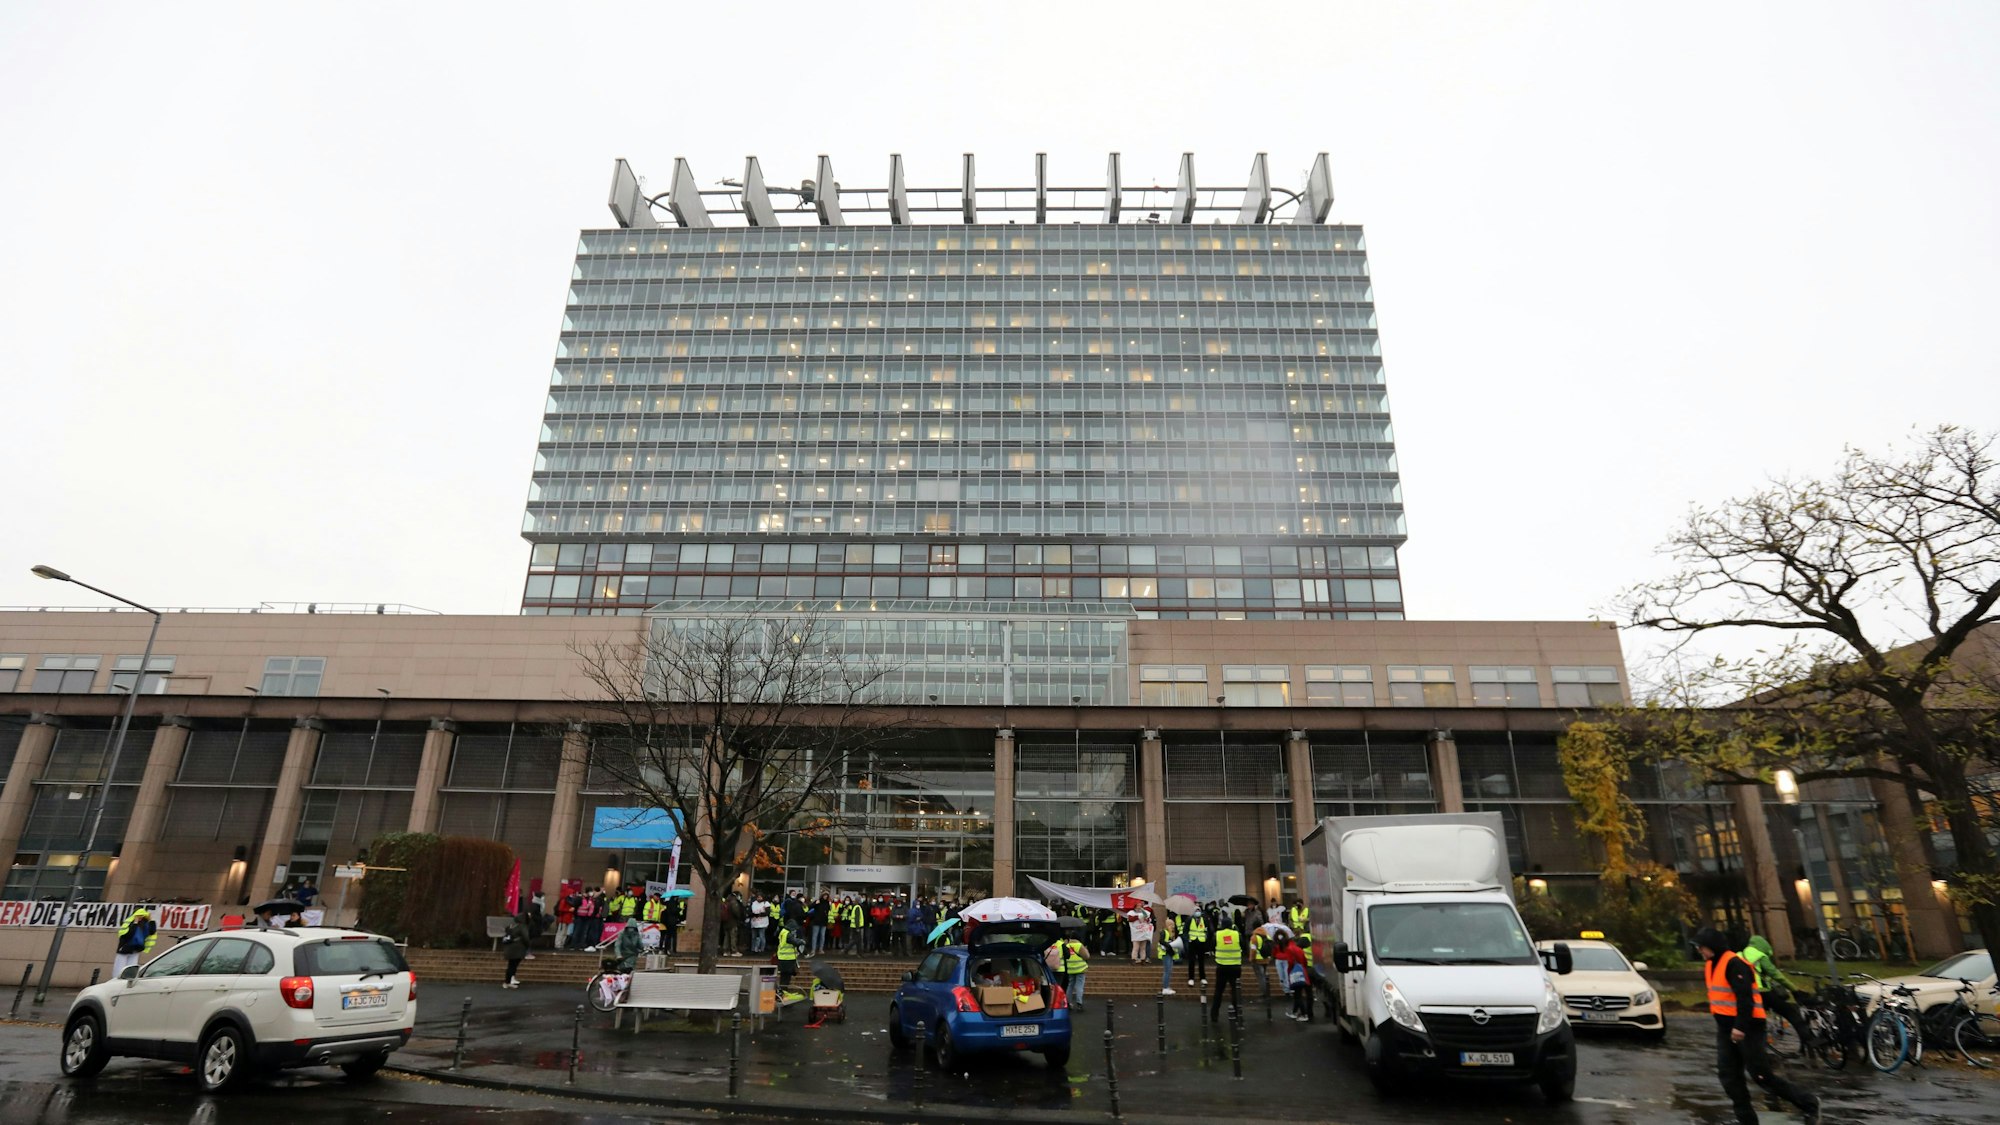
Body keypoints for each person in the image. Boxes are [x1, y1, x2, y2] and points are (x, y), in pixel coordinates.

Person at [1696, 927, 1820, 1125]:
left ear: (1712, 947)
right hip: (1726, 1029)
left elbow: (1745, 999)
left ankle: (1808, 1103)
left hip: (1748, 1028)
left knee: (1761, 1076)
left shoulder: (1735, 964)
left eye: (1701, 947)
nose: (1699, 951)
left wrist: (1740, 1027)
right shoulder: (1711, 965)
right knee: (1729, 1076)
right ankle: (1746, 1120)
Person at [1742, 934, 1810, 1044]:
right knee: (1790, 1012)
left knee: (1754, 1021)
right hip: (1761, 993)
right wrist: (1794, 989)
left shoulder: (1738, 956)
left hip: (1745, 995)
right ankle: (1808, 1039)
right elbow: (1775, 974)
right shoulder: (1759, 956)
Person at [1209, 917, 1244, 1022]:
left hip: (1222, 967)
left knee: (1218, 991)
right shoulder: (1237, 935)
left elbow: (1211, 946)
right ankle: (1237, 1014)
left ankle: (1214, 1015)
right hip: (1235, 967)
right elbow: (1243, 946)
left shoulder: (1217, 934)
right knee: (1235, 991)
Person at [1273, 933, 1312, 1021]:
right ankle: (1295, 1012)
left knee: (1298, 995)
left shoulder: (1289, 949)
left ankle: (1304, 1014)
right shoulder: (1298, 949)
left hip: (1295, 974)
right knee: (1299, 994)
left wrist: (1289, 972)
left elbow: (1290, 962)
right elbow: (1305, 961)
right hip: (1303, 972)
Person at [112, 906, 157, 978]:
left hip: (132, 949)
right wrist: (136, 923)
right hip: (128, 949)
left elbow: (152, 931)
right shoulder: (131, 922)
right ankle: (118, 981)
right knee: (121, 969)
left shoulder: (144, 924)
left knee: (127, 969)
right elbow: (127, 934)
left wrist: (151, 920)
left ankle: (124, 980)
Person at [1060, 933, 1090, 1010]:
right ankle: (1079, 1003)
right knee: (1079, 986)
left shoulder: (1066, 945)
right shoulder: (1079, 945)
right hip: (1080, 969)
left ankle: (1068, 1002)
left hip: (1070, 969)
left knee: (1070, 986)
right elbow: (1087, 956)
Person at [501, 913, 530, 988]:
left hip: (509, 948)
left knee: (510, 965)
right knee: (513, 965)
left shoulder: (512, 926)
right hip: (517, 949)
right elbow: (526, 937)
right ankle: (508, 982)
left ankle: (507, 981)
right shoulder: (522, 926)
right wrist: (527, 946)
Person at [1185, 911, 1210, 986]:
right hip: (1192, 941)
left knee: (1201, 961)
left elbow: (1207, 930)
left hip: (1201, 942)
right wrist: (1187, 939)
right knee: (1191, 961)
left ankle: (1202, 978)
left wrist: (1206, 937)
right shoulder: (1189, 920)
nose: (1198, 919)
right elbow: (1185, 930)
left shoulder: (1204, 920)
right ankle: (1191, 978)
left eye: (1199, 918)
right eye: (1197, 918)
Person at [1157, 913, 1179, 995]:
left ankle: (1166, 986)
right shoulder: (1164, 932)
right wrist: (1169, 945)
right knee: (1167, 971)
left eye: (1173, 925)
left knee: (1169, 971)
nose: (1173, 926)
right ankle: (1165, 988)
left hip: (1169, 953)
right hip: (1165, 953)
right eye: (1171, 925)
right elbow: (1161, 941)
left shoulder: (1171, 934)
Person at [775, 923, 801, 993]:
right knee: (785, 978)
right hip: (787, 959)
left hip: (784, 958)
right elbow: (794, 941)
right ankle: (783, 993)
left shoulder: (783, 932)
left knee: (784, 977)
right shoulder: (787, 934)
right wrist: (801, 941)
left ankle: (783, 992)